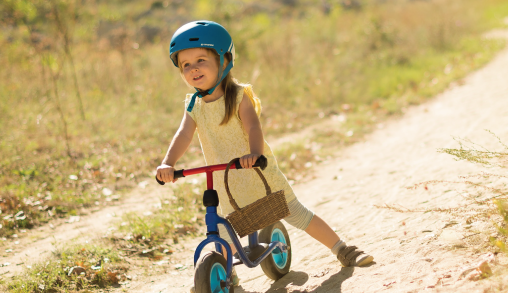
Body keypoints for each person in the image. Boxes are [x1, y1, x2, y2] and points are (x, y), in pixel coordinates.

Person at [155, 21, 374, 272]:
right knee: (224, 232)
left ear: (224, 60)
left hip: (257, 171)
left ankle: (342, 249)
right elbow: (183, 134)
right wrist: (168, 163)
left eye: (201, 60)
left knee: (296, 213)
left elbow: (253, 127)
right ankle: (222, 277)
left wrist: (255, 153)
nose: (193, 69)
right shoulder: (193, 105)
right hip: (227, 182)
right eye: (185, 65)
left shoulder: (238, 96)